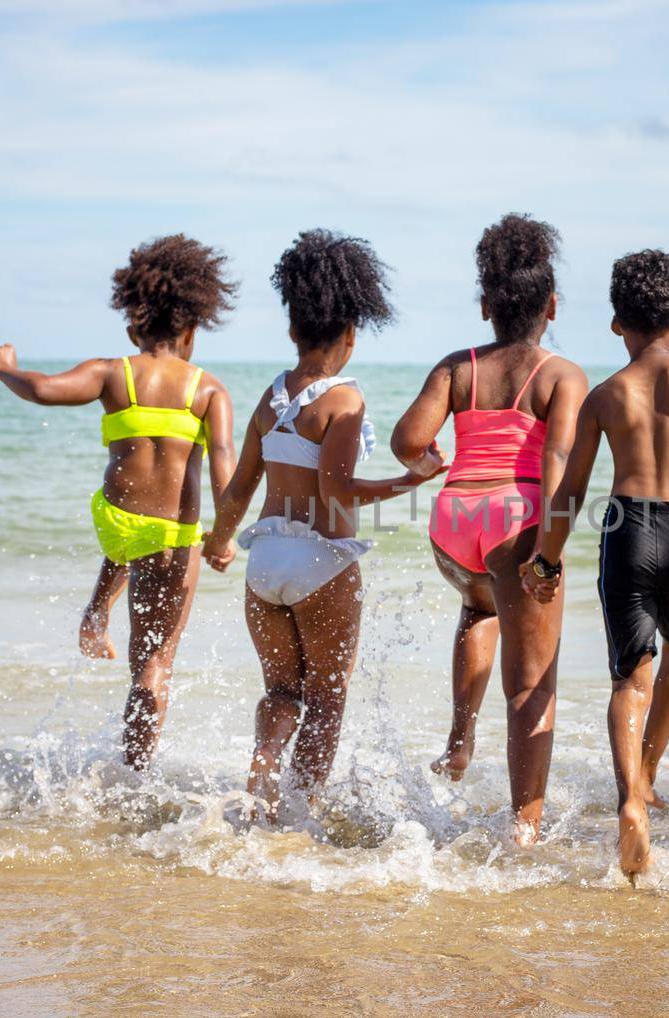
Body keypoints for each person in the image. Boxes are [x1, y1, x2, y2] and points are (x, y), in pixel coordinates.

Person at [521, 249, 669, 881]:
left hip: (628, 528)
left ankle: (630, 796)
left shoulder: (604, 395)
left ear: (615, 324)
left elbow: (570, 491)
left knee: (631, 678)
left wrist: (545, 563)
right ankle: (650, 770)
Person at [201, 230, 444, 821]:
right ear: (352, 334)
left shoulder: (271, 396)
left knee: (281, 692)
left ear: (292, 330)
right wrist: (415, 480)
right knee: (328, 702)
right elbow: (338, 491)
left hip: (264, 564)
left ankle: (261, 775)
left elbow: (241, 486)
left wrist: (218, 539)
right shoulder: (344, 400)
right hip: (321, 562)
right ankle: (299, 814)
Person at [0, 234, 238, 769]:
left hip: (115, 519)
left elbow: (43, 389)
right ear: (193, 331)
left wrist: (6, 369)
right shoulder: (208, 391)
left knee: (130, 538)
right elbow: (223, 464)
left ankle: (97, 608)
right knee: (153, 666)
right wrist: (224, 535)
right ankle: (136, 771)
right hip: (171, 538)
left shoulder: (111, 373)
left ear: (132, 326)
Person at [391, 213, 587, 846]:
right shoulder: (562, 375)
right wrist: (547, 554)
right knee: (530, 682)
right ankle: (524, 826)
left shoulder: (457, 368)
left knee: (480, 609)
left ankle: (458, 739)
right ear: (551, 305)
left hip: (453, 521)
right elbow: (558, 464)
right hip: (516, 519)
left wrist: (427, 465)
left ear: (485, 306)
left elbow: (408, 441)